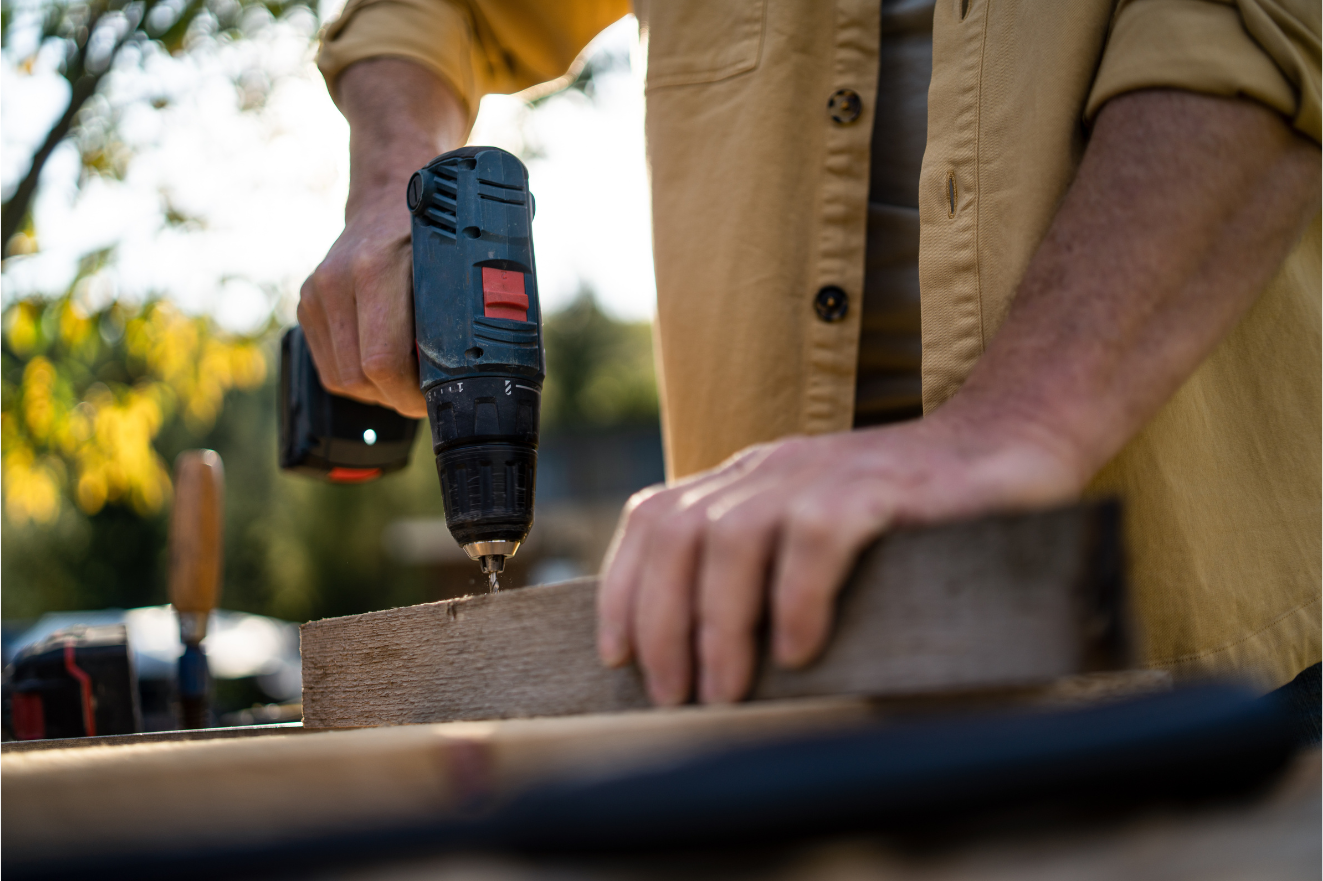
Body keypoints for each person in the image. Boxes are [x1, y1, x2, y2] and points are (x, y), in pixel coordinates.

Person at [302, 1, 1321, 713]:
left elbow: (1260, 27)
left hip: (1200, 653)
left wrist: (1021, 422)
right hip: (764, 672)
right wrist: (394, 181)